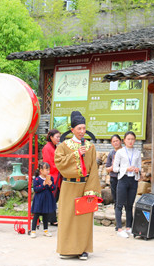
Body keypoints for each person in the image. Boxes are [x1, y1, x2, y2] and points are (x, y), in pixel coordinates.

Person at [54, 111, 101, 260]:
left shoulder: (90, 147)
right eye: (79, 128)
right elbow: (59, 163)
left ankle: (83, 250)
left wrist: (91, 190)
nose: (82, 131)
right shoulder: (63, 146)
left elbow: (93, 170)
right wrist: (76, 154)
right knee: (67, 218)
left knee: (84, 219)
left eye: (84, 128)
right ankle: (66, 249)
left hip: (85, 186)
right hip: (69, 186)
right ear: (72, 129)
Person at [112, 131, 141, 239]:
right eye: (128, 139)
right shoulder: (120, 152)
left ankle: (129, 227)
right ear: (124, 140)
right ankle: (119, 228)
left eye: (132, 139)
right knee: (119, 205)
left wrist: (137, 170)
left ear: (135, 140)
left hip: (133, 180)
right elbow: (115, 168)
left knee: (130, 205)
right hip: (123, 180)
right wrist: (126, 169)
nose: (130, 141)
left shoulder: (137, 152)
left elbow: (139, 166)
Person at [30, 161, 56, 238]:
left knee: (45, 215)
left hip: (47, 199)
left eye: (49, 170)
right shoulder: (37, 179)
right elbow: (36, 189)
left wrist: (51, 184)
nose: (48, 171)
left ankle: (46, 230)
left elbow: (53, 188)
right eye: (46, 169)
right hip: (39, 200)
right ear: (41, 170)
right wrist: (43, 184)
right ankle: (33, 231)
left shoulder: (50, 178)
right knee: (36, 215)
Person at [42, 129, 62, 225]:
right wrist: (61, 167)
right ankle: (52, 219)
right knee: (52, 198)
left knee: (53, 198)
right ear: (51, 137)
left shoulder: (53, 147)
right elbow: (48, 163)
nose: (58, 139)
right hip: (52, 175)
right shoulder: (47, 148)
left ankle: (48, 218)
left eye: (59, 137)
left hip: (56, 174)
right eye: (57, 137)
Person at [104, 134, 122, 209]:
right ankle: (117, 212)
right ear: (111, 143)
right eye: (113, 141)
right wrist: (113, 167)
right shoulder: (111, 153)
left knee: (123, 196)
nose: (115, 143)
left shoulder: (125, 152)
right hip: (113, 177)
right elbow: (107, 168)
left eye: (117, 141)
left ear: (120, 141)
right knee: (115, 197)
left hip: (123, 177)